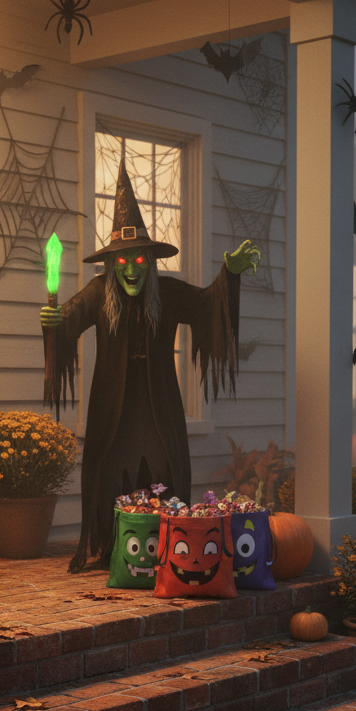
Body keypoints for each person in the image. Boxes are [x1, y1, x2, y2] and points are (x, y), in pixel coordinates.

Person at [42, 160, 260, 573]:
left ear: (150, 262)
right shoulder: (97, 292)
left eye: (138, 261)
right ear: (110, 265)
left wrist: (228, 276)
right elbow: (67, 318)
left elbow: (206, 305)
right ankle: (111, 547)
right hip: (114, 410)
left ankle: (166, 547)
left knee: (164, 469)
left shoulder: (169, 293)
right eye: (121, 262)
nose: (130, 270)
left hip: (158, 408)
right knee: (110, 469)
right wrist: (54, 324)